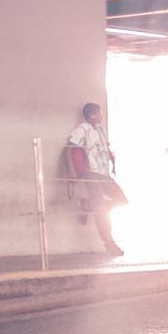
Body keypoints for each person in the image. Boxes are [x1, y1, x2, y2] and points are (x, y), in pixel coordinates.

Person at [67, 102, 125, 255]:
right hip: (92, 173)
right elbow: (71, 148)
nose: (101, 115)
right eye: (99, 113)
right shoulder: (82, 129)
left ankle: (87, 205)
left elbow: (106, 148)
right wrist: (73, 171)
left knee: (121, 199)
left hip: (104, 173)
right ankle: (109, 244)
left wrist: (113, 164)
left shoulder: (101, 129)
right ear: (92, 115)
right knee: (100, 210)